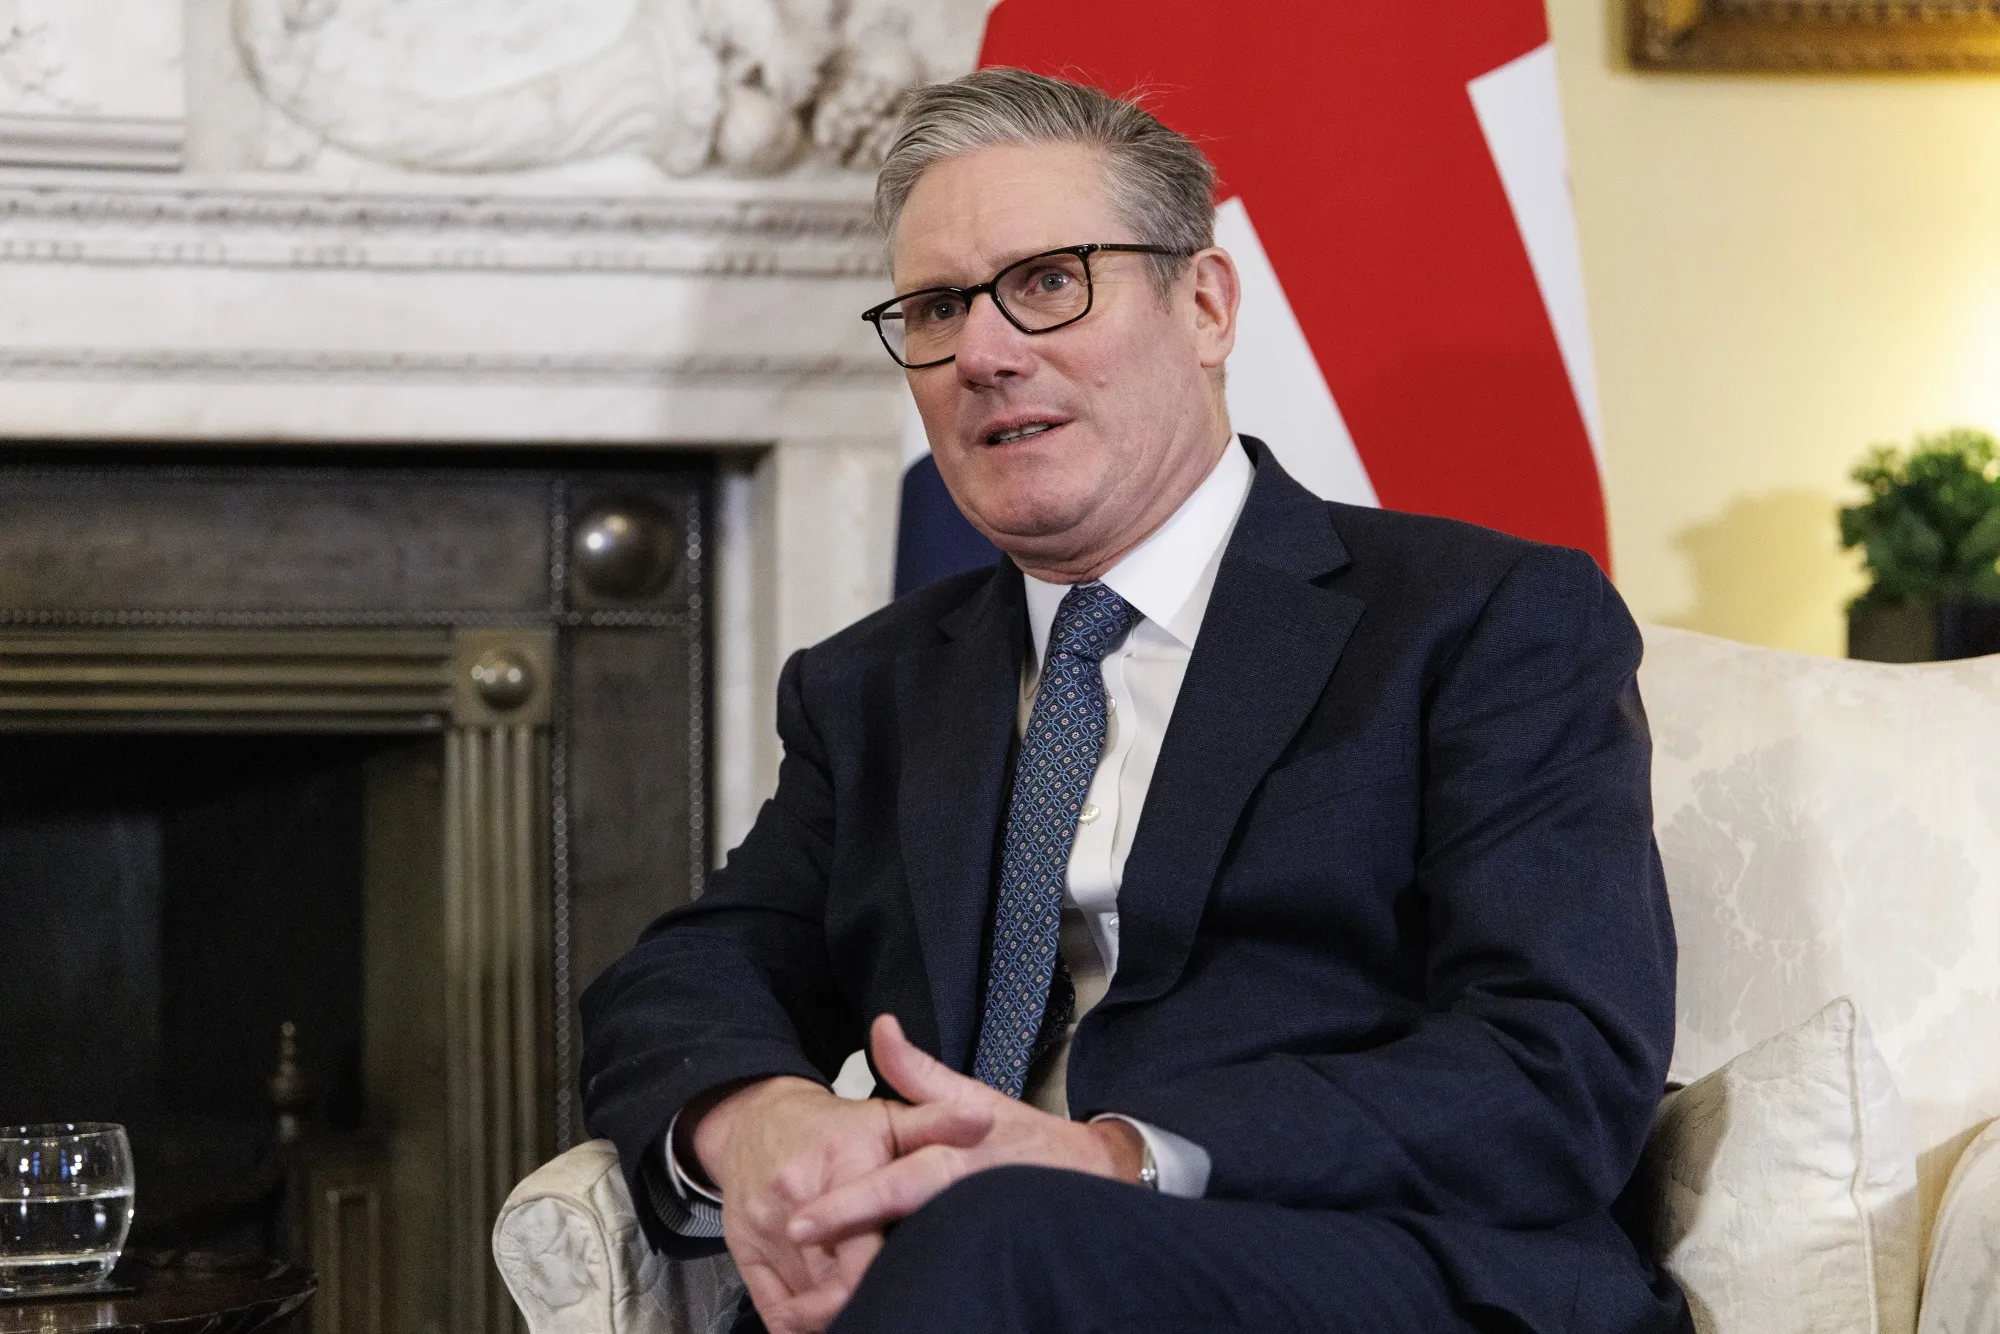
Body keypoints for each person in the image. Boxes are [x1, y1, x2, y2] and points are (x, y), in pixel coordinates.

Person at [581, 67, 1689, 1334]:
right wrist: (757, 1118)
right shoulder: (871, 685)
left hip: (1359, 1264)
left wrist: (1113, 1155)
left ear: (1204, 304)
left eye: (1049, 281)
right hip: (956, 1280)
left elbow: (1554, 1063)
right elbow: (689, 971)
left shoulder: (1477, 620)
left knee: (991, 1234)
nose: (984, 353)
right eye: (936, 308)